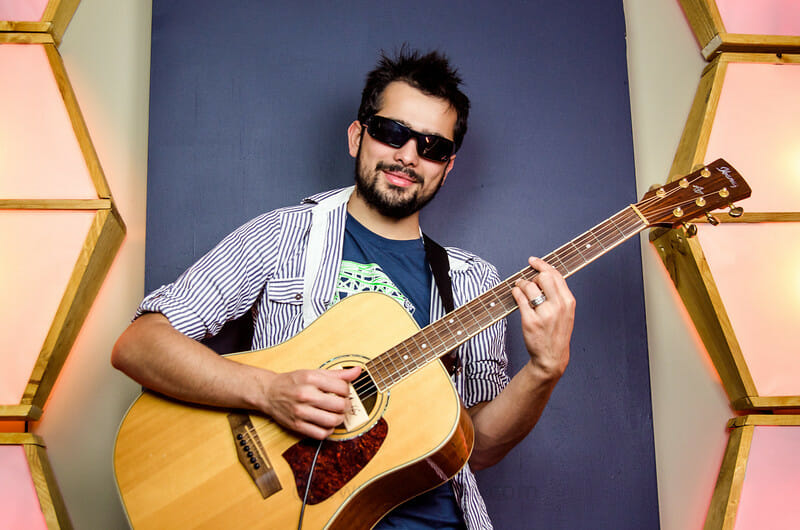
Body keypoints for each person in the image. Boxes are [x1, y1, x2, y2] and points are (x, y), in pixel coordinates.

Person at [112, 48, 575, 529]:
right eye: (392, 132)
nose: (408, 155)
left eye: (432, 147)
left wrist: (544, 370)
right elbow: (139, 345)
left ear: (447, 167)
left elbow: (474, 447)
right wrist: (268, 391)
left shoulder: (472, 282)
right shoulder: (281, 236)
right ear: (358, 136)